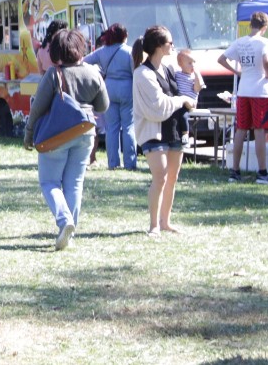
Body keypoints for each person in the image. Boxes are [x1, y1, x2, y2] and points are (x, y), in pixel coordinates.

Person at [23, 29, 109, 251]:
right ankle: (70, 235)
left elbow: (37, 108)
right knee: (75, 183)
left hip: (56, 133)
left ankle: (64, 220)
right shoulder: (93, 73)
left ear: (56, 51)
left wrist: (29, 134)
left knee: (49, 182)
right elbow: (103, 106)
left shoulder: (54, 74)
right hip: (86, 132)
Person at [132, 25, 194, 235]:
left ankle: (166, 222)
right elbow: (157, 107)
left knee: (172, 178)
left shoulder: (168, 68)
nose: (173, 46)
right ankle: (154, 225)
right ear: (159, 46)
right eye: (170, 42)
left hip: (175, 129)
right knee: (160, 177)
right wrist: (182, 100)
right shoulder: (142, 73)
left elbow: (181, 92)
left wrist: (191, 92)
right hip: (153, 131)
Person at [218, 11, 268, 185]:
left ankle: (234, 171)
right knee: (260, 130)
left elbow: (221, 59)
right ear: (265, 27)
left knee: (241, 129)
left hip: (243, 90)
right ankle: (262, 173)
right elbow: (266, 61)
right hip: (260, 91)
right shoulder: (264, 42)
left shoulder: (240, 42)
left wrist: (237, 72)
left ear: (250, 25)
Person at [83, 23, 137, 170]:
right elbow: (135, 72)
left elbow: (84, 62)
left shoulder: (102, 51)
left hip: (108, 89)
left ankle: (113, 163)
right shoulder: (129, 51)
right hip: (127, 89)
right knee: (128, 126)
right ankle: (130, 163)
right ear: (124, 36)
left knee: (111, 127)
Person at [174, 48, 204, 146]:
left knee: (183, 116)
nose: (193, 65)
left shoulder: (194, 77)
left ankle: (185, 135)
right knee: (178, 115)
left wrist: (197, 75)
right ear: (180, 64)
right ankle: (178, 135)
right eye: (190, 63)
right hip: (179, 101)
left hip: (190, 102)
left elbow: (197, 89)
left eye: (194, 62)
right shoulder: (177, 74)